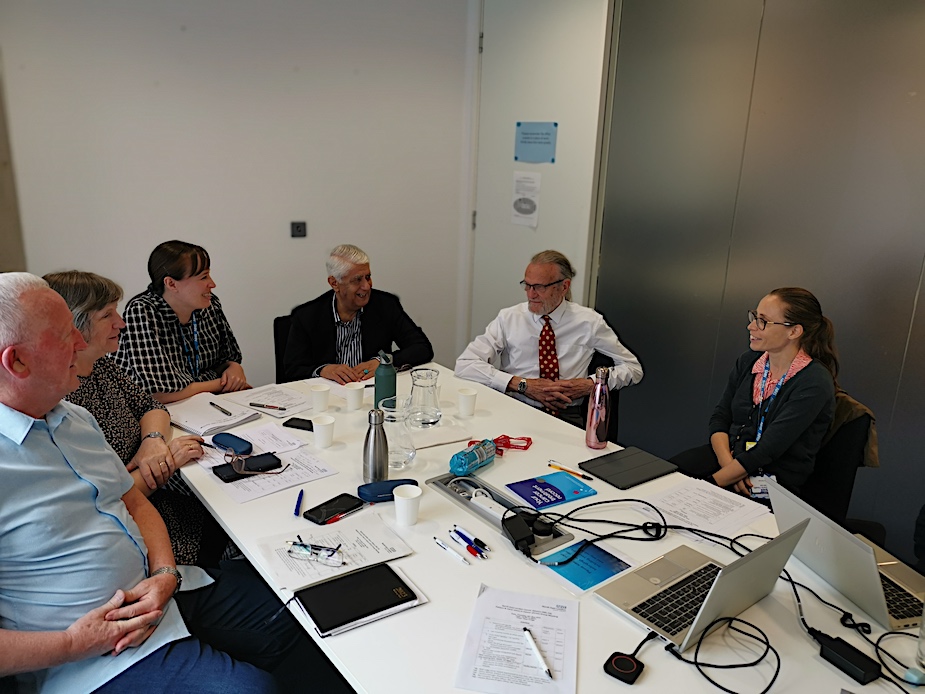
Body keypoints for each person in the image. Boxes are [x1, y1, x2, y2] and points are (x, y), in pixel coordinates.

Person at [0, 273, 332, 693]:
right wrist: (72, 642)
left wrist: (164, 573)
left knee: (304, 613)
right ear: (18, 362)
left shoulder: (73, 419)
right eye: (66, 336)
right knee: (253, 688)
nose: (82, 344)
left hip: (165, 592)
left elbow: (134, 505)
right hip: (97, 651)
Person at [45, 270, 227, 567]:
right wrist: (166, 461)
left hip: (160, 500)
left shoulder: (101, 366)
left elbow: (151, 406)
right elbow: (104, 501)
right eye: (107, 316)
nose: (121, 323)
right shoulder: (60, 401)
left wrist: (153, 442)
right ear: (74, 326)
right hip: (140, 528)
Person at [670, 287, 837, 495]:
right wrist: (728, 466)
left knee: (688, 499)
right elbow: (720, 418)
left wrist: (708, 486)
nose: (751, 326)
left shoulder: (814, 382)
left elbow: (769, 449)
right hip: (729, 458)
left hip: (774, 476)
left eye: (763, 321)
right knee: (667, 476)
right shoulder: (749, 361)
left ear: (794, 331)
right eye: (754, 317)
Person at [454, 250, 643, 426]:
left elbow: (633, 369)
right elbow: (465, 364)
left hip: (567, 416)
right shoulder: (509, 317)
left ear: (563, 286)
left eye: (539, 287)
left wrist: (591, 384)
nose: (530, 294)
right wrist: (521, 385)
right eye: (527, 285)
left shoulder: (589, 321)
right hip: (516, 408)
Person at [114, 240, 249, 404]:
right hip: (152, 410)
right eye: (203, 277)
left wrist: (235, 368)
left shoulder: (209, 304)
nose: (212, 284)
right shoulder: (142, 311)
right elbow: (158, 394)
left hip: (204, 404)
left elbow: (228, 359)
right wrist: (221, 384)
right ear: (171, 283)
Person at [284, 243, 433, 383]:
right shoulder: (307, 316)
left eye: (368, 277)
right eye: (357, 280)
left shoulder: (386, 305)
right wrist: (323, 370)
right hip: (328, 399)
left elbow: (422, 348)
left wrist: (383, 362)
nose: (366, 286)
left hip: (372, 394)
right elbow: (292, 369)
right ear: (334, 283)